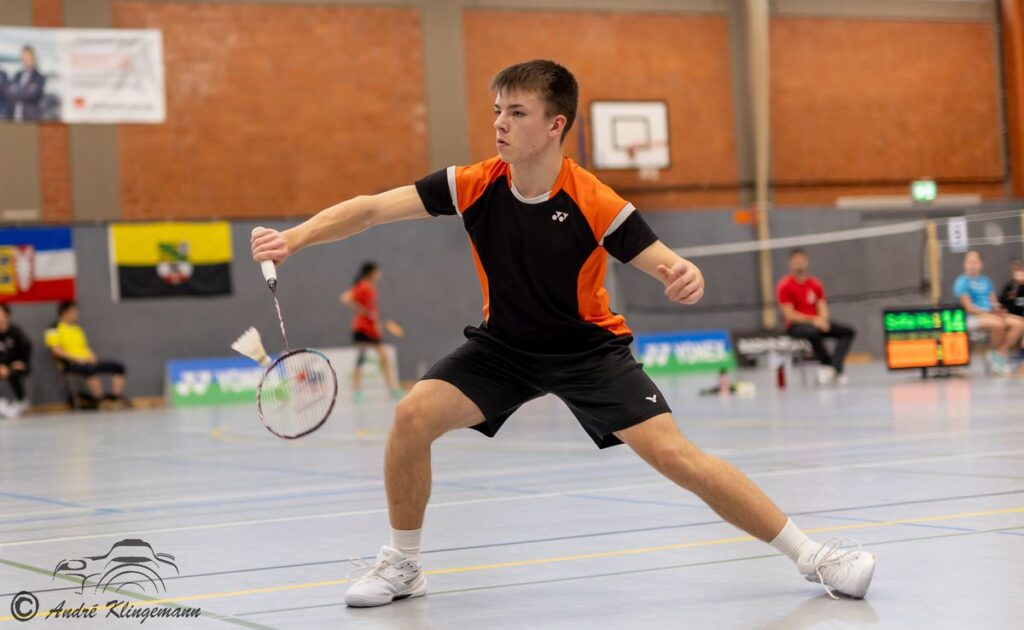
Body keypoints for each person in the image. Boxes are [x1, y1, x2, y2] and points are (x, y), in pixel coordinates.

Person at [251, 60, 875, 608]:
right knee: (412, 416)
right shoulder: (472, 184)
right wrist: (294, 238)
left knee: (676, 457)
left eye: (516, 113)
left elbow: (663, 261)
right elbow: (369, 208)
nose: (500, 124)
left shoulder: (593, 199)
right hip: (504, 348)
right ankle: (404, 566)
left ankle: (816, 556)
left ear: (555, 125)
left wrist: (684, 273)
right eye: (497, 111)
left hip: (587, 351)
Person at [776, 249, 857, 385]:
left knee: (848, 332)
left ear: (806, 262)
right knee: (812, 332)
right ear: (790, 263)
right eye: (795, 261)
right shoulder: (784, 285)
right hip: (796, 326)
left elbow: (822, 306)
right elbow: (789, 314)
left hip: (817, 322)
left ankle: (833, 368)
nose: (798, 264)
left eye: (801, 260)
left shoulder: (815, 284)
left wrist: (823, 320)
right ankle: (831, 367)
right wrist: (814, 320)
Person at [44, 301, 129, 408]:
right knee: (90, 370)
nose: (76, 314)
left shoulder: (77, 328)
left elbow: (84, 347)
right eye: (74, 311)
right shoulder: (53, 329)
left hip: (86, 361)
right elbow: (56, 351)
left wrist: (92, 356)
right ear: (65, 312)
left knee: (118, 367)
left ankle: (116, 399)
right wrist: (77, 359)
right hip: (70, 364)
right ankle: (101, 401)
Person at [341, 261, 404, 401]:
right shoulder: (363, 286)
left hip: (371, 329)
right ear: (371, 272)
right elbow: (346, 298)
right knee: (361, 359)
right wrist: (361, 311)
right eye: (377, 271)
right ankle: (357, 391)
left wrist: (375, 322)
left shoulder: (370, 287)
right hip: (361, 328)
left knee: (383, 357)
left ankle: (392, 389)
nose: (379, 274)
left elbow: (372, 310)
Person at [954, 251, 1024, 374]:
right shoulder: (962, 282)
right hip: (972, 317)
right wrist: (988, 314)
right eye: (969, 262)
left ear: (981, 264)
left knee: (1019, 323)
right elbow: (969, 307)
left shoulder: (986, 281)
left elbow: (994, 302)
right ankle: (996, 360)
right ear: (964, 264)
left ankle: (998, 354)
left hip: (990, 315)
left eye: (975, 262)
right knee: (998, 324)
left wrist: (998, 309)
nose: (972, 265)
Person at [0, 303, 32, 418]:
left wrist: (22, 362)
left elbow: (26, 347)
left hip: (16, 365)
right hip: (2, 366)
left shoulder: (15, 332)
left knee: (14, 373)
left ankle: (21, 401)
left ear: (6, 315)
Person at [8, 45, 46, 122]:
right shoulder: (17, 75)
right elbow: (9, 92)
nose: (26, 60)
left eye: (28, 57)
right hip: (15, 116)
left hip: (31, 118)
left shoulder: (39, 77)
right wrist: (24, 90)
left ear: (33, 58)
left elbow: (32, 95)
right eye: (24, 57)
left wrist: (18, 90)